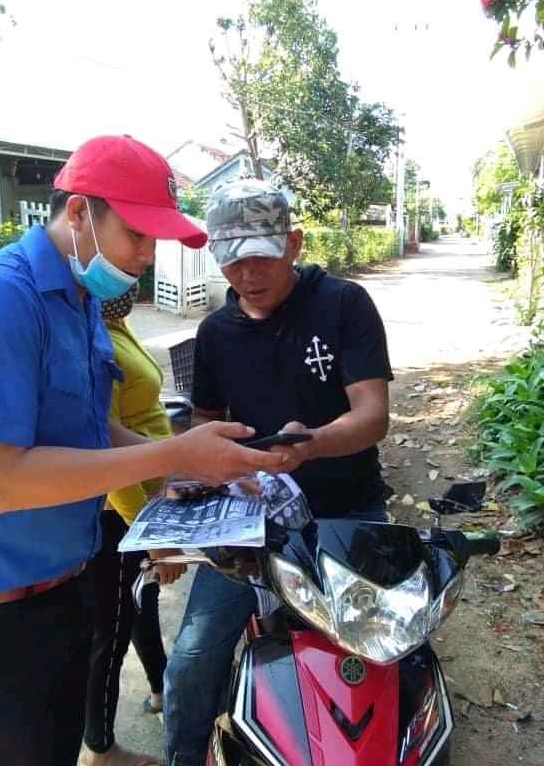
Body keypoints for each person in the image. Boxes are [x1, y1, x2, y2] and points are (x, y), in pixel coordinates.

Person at [0, 139, 286, 766]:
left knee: (56, 748)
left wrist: (192, 461)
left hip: (68, 580)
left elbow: (95, 430)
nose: (145, 256)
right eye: (137, 234)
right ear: (79, 212)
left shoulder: (79, 300)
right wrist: (168, 456)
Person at [163, 179, 393, 766]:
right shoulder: (216, 332)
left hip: (347, 507)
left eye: (261, 256)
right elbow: (205, 420)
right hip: (253, 515)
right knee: (191, 660)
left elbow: (372, 416)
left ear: (293, 243)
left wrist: (312, 445)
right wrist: (194, 478)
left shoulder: (343, 304)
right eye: (231, 260)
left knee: (375, 652)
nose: (246, 274)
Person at [79, 286, 184, 766]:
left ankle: (161, 688)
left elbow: (142, 418)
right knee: (112, 630)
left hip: (142, 502)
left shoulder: (114, 326)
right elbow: (108, 451)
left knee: (141, 605)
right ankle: (100, 746)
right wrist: (152, 535)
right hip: (118, 514)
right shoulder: (92, 339)